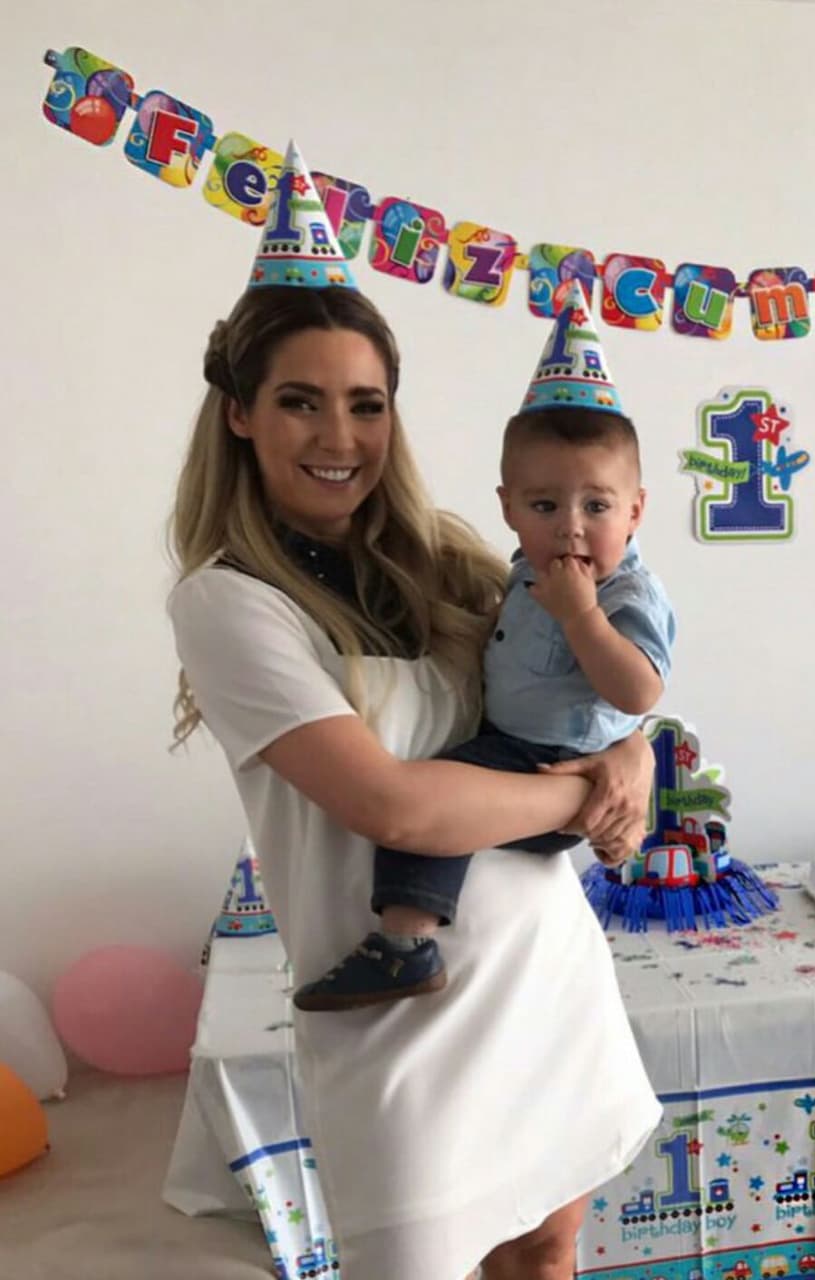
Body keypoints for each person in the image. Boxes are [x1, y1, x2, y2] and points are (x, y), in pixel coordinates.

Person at [167, 142, 661, 1280]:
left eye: (364, 403)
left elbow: (580, 678)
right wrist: (589, 788)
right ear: (240, 411)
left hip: (544, 971)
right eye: (300, 402)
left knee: (548, 1250)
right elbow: (396, 804)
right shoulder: (227, 602)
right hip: (398, 1017)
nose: (339, 437)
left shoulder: (447, 556)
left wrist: (633, 742)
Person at [292, 281, 676, 1012]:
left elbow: (639, 693)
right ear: (507, 507)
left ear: (636, 510)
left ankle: (403, 942)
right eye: (544, 506)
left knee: (440, 800)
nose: (570, 526)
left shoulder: (622, 595)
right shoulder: (521, 570)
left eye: (597, 507)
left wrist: (586, 631)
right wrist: (607, 780)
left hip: (542, 762)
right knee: (437, 804)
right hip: (529, 761)